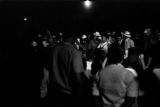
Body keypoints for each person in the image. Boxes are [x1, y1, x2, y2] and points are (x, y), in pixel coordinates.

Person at [47, 31, 85, 107]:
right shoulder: (74, 53)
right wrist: (78, 99)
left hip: (54, 91)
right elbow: (78, 78)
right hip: (68, 93)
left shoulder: (54, 49)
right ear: (73, 37)